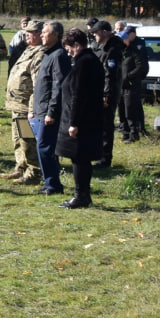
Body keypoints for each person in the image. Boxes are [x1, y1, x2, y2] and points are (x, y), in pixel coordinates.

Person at [56, 28, 104, 209]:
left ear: (77, 45)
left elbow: (79, 94)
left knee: (80, 158)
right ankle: (83, 194)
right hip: (88, 117)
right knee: (81, 159)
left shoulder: (84, 63)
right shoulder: (89, 60)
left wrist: (74, 123)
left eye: (69, 49)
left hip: (83, 120)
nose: (68, 53)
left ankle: (81, 195)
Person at [29, 21, 71, 197]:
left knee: (45, 147)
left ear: (56, 35)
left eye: (45, 32)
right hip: (40, 109)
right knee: (43, 147)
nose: (41, 35)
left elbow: (59, 86)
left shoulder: (59, 55)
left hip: (48, 112)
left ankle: (53, 184)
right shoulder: (48, 54)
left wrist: (51, 112)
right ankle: (50, 182)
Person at [3, 20, 45, 184]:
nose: (26, 35)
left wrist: (31, 109)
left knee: (27, 139)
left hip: (25, 105)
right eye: (26, 32)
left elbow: (37, 85)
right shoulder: (29, 49)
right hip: (17, 103)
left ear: (40, 34)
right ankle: (21, 167)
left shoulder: (40, 54)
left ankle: (33, 172)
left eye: (31, 32)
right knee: (17, 139)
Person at [91, 20, 124, 168]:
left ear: (105, 32)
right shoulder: (102, 47)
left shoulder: (113, 49)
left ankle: (105, 159)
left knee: (105, 125)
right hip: (100, 89)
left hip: (108, 92)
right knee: (99, 124)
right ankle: (99, 154)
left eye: (96, 33)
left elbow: (110, 74)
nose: (94, 36)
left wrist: (106, 94)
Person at [120, 24, 149, 142]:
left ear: (132, 35)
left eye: (126, 37)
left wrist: (128, 77)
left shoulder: (137, 49)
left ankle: (134, 134)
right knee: (122, 110)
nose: (123, 40)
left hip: (131, 84)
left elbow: (141, 66)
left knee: (130, 110)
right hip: (121, 85)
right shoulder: (123, 49)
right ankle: (125, 133)